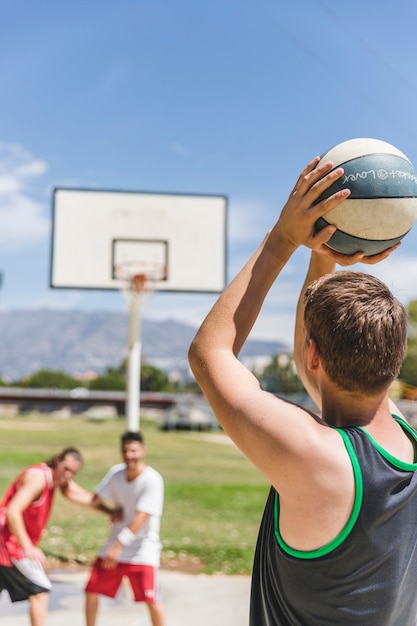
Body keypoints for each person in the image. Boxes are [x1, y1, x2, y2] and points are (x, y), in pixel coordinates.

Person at [188, 155, 417, 625]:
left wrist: (283, 238)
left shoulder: (318, 459)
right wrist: (322, 251)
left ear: (315, 356)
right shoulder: (404, 442)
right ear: (394, 360)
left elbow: (209, 354)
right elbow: (308, 361)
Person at [0, 446, 103, 626]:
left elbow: (84, 497)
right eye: (66, 469)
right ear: (57, 461)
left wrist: (114, 511)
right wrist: (28, 547)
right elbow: (13, 511)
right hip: (7, 542)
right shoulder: (38, 479)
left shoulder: (56, 478)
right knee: (40, 590)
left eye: (73, 472)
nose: (69, 475)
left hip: (9, 541)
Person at [85, 430, 165, 626]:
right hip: (116, 544)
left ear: (142, 451)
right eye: (125, 451)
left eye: (133, 451)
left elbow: (141, 517)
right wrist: (109, 511)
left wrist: (118, 546)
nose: (129, 455)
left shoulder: (152, 480)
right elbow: (94, 499)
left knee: (150, 597)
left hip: (142, 548)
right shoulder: (116, 473)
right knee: (92, 589)